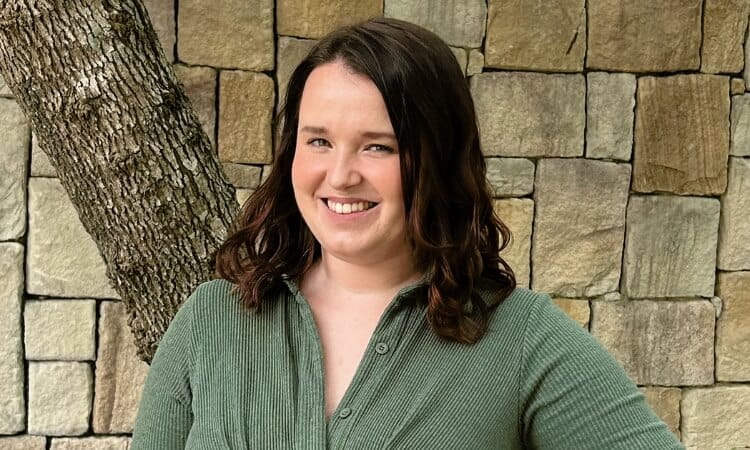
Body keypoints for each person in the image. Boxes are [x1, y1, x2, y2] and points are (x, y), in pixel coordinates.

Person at [131, 17, 685, 449]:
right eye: (318, 141)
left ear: (437, 160)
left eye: (379, 146)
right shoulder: (208, 323)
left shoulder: (521, 340)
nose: (341, 175)